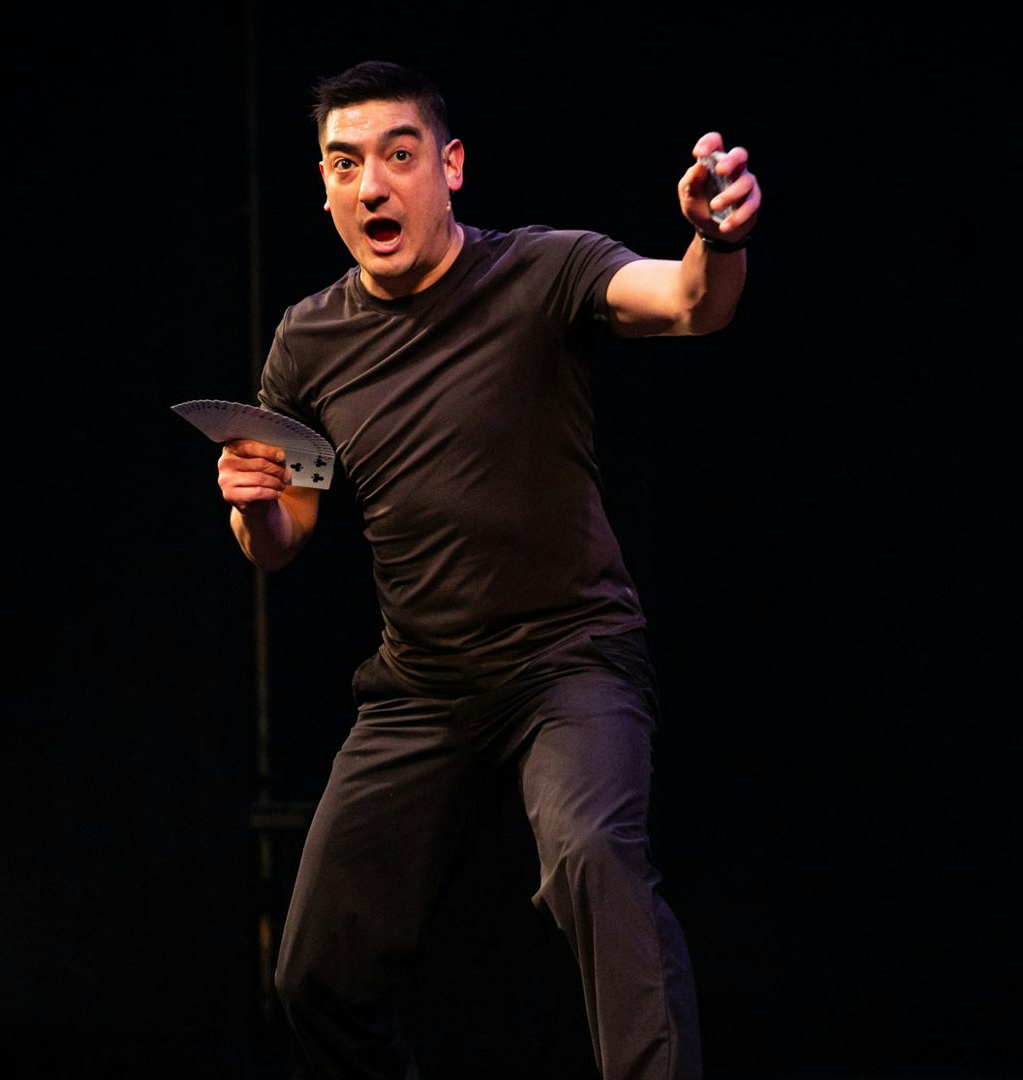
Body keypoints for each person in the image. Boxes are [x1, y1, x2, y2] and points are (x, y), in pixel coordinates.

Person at [215, 59, 759, 1080]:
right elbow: (284, 539)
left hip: (568, 660)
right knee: (314, 974)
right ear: (325, 186)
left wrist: (715, 237)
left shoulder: (541, 271)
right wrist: (255, 510)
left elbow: (691, 302)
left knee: (593, 857)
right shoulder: (308, 340)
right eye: (345, 164)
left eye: (398, 155)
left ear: (451, 166)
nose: (372, 185)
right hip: (422, 687)